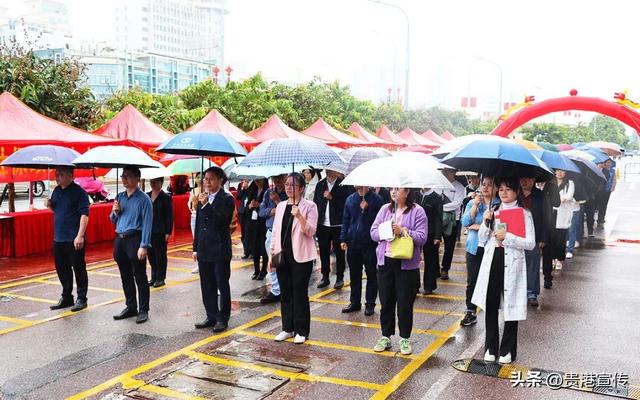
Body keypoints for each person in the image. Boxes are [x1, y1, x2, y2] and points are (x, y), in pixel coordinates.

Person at [472, 177, 535, 365]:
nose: (503, 192)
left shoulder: (524, 213)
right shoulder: (495, 210)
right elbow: (483, 239)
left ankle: (507, 349)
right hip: (493, 260)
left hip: (512, 262)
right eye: (500, 189)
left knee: (511, 306)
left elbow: (530, 243)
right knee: (491, 304)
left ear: (516, 191)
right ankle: (491, 347)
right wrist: (485, 221)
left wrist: (508, 237)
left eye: (508, 189)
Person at [370, 188, 427, 356]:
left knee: (404, 303)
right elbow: (373, 233)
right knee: (386, 301)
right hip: (385, 261)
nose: (394, 192)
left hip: (406, 264)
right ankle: (385, 336)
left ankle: (404, 338)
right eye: (392, 189)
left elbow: (422, 237)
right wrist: (387, 231)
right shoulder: (384, 209)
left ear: (407, 191)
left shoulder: (418, 211)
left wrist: (402, 231)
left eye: (398, 188)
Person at [269, 173, 318, 344]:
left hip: (302, 256)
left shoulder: (310, 206)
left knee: (299, 292)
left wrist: (299, 216)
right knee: (285, 292)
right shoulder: (281, 206)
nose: (289, 187)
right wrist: (272, 254)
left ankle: (301, 330)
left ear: (302, 188)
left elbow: (311, 231)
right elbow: (275, 232)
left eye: (293, 185)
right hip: (283, 255)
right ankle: (287, 328)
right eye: (287, 184)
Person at [192, 166, 235, 332]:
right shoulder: (203, 198)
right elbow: (198, 226)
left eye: (210, 179)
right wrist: (195, 247)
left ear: (220, 180)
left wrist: (207, 205)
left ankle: (223, 318)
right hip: (204, 248)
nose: (207, 182)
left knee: (221, 284)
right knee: (206, 284)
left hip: (219, 249)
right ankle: (211, 315)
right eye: (205, 179)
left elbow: (221, 222)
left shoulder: (227, 199)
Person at [110, 166, 153, 324]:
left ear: (137, 178)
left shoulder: (144, 199)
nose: (124, 179)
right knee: (125, 275)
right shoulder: (119, 196)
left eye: (128, 176)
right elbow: (113, 219)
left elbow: (148, 223)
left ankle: (143, 309)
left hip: (135, 238)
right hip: (120, 239)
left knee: (139, 275)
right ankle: (130, 306)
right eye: (123, 176)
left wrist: (144, 245)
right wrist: (115, 212)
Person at [46, 166, 90, 312]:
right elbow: (57, 211)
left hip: (74, 237)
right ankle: (66, 296)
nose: (57, 177)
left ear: (71, 175)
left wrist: (80, 235)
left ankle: (82, 298)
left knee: (78, 268)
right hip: (59, 237)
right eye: (56, 174)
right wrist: (49, 206)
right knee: (62, 268)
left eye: (61, 174)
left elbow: (85, 215)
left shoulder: (79, 193)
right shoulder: (57, 191)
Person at [460, 176, 498, 326]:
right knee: (472, 281)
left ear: (496, 188)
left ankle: (491, 309)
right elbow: (465, 223)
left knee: (491, 280)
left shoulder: (498, 205)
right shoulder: (473, 202)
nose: (486, 187)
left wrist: (478, 226)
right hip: (474, 247)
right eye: (484, 184)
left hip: (492, 248)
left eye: (490, 184)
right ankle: (470, 310)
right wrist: (475, 206)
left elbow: (496, 228)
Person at [340, 186, 383, 316]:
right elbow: (345, 220)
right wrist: (343, 239)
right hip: (353, 242)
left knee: (371, 273)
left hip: (370, 243)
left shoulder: (377, 199)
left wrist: (367, 209)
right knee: (354, 274)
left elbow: (380, 221)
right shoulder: (350, 199)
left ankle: (370, 304)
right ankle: (355, 302)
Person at [314, 169, 354, 289]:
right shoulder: (320, 185)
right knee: (324, 251)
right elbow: (316, 203)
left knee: (339, 252)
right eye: (327, 169)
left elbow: (347, 205)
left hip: (338, 224)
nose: (328, 171)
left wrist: (332, 198)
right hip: (323, 224)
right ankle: (325, 276)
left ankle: (339, 277)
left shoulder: (344, 184)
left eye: (331, 169)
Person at [542, 169, 574, 288]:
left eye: (562, 171)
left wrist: (559, 198)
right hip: (550, 216)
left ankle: (559, 259)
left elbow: (568, 196)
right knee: (550, 243)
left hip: (562, 215)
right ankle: (550, 267)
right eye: (557, 171)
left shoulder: (570, 183)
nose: (559, 173)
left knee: (560, 240)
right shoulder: (549, 182)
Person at [259, 174, 288, 304]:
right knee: (273, 263)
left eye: (280, 178)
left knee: (282, 262)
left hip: (284, 233)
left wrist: (277, 202)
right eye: (275, 179)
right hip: (270, 232)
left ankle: (282, 289)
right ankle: (276, 290)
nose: (277, 181)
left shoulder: (288, 193)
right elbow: (262, 212)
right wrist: (273, 211)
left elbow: (287, 213)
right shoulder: (268, 193)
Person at [520, 177, 545, 307]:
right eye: (523, 178)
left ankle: (531, 294)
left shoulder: (540, 195)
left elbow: (546, 217)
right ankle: (518, 292)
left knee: (533, 265)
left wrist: (543, 238)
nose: (524, 181)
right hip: (517, 235)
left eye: (528, 179)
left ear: (534, 180)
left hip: (534, 235)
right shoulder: (515, 193)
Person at [438, 168, 466, 280]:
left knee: (449, 246)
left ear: (454, 172)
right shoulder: (439, 185)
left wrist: (440, 208)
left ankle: (445, 269)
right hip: (438, 218)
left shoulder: (459, 187)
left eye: (448, 171)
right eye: (444, 170)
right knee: (434, 244)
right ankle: (435, 268)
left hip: (453, 219)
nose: (445, 172)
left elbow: (457, 204)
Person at [146, 177, 173, 288]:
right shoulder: (146, 196)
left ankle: (161, 278)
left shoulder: (166, 197)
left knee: (160, 255)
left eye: (156, 182)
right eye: (151, 182)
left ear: (161, 183)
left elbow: (169, 216)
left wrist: (168, 231)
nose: (153, 184)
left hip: (160, 230)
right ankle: (153, 276)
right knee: (151, 254)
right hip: (148, 230)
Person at [419, 186, 443, 295]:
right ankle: (415, 286)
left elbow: (439, 217)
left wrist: (437, 236)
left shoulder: (436, 197)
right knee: (414, 258)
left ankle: (429, 286)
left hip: (431, 232)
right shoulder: (415, 194)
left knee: (430, 259)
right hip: (416, 231)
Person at [246, 178, 269, 280]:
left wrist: (260, 205)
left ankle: (263, 270)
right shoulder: (253, 191)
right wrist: (250, 206)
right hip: (253, 223)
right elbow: (246, 207)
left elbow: (269, 207)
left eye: (260, 179)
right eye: (256, 179)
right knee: (254, 246)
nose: (257, 181)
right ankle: (256, 270)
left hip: (263, 222)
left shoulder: (268, 192)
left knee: (263, 247)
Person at [597, 158, 616, 228]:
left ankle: (601, 218)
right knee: (599, 204)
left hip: (607, 190)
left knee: (604, 204)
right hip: (600, 190)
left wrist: (613, 186)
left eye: (610, 163)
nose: (609, 164)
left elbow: (614, 179)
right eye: (607, 162)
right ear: (604, 163)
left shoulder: (612, 170)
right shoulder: (600, 169)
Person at [236, 180, 252, 259]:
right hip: (242, 211)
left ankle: (251, 251)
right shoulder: (240, 185)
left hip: (250, 211)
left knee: (250, 231)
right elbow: (238, 196)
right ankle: (246, 251)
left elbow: (252, 196)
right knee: (244, 232)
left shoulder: (253, 184)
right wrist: (243, 188)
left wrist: (248, 188)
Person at [188, 176, 201, 274]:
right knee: (195, 240)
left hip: (201, 218)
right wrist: (191, 200)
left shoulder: (206, 192)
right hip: (193, 217)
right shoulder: (193, 191)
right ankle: (199, 264)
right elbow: (189, 206)